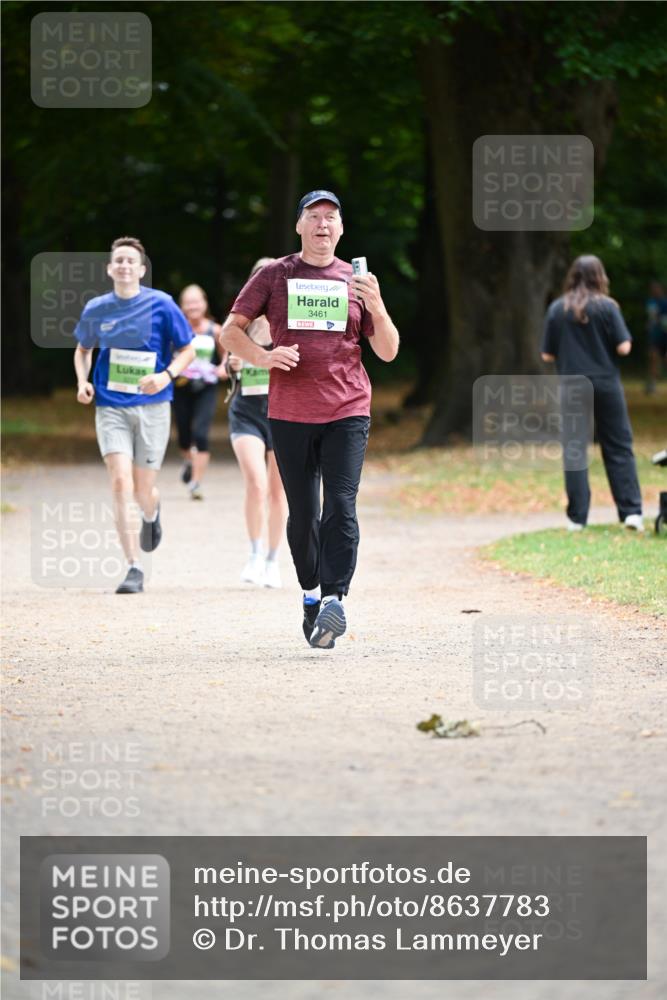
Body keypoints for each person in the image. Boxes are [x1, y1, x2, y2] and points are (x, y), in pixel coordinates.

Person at [220, 190, 399, 648]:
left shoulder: (357, 281)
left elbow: (388, 350)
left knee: (341, 503)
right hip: (291, 411)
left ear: (341, 230)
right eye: (314, 217)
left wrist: (376, 304)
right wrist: (263, 356)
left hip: (348, 408)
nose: (323, 225)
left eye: (331, 218)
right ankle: (311, 595)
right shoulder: (276, 275)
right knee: (303, 515)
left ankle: (336, 598)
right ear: (299, 226)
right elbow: (230, 332)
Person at [74, 236, 195, 593]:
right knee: (120, 482)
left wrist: (165, 375)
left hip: (154, 408)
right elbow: (82, 350)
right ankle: (133, 568)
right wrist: (83, 381)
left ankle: (151, 512)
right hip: (111, 406)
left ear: (141, 270)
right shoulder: (97, 308)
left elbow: (187, 350)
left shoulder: (162, 305)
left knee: (144, 490)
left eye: (131, 261)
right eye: (119, 261)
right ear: (111, 269)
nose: (124, 266)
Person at [541, 254, 643, 531]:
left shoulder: (557, 309)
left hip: (572, 386)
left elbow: (547, 354)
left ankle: (577, 518)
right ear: (600, 277)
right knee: (619, 446)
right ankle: (631, 512)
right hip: (606, 384)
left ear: (572, 276)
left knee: (575, 451)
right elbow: (624, 348)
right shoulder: (608, 307)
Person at [225, 258, 288, 589]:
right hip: (246, 412)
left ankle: (272, 560)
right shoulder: (240, 323)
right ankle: (253, 553)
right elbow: (226, 366)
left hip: (282, 414)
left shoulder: (288, 322)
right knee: (256, 483)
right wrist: (233, 363)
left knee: (278, 492)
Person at [174, 284, 228, 500]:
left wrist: (224, 367)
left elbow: (227, 354)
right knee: (184, 437)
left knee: (201, 434)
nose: (193, 306)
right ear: (182, 306)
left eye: (196, 301)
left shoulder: (214, 329)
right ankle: (189, 459)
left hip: (206, 387)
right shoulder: (178, 328)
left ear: (204, 304)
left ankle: (195, 483)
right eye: (188, 302)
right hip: (181, 386)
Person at [645, 280, 667, 394]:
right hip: (655, 335)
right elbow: (652, 318)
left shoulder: (665, 302)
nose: (654, 290)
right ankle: (652, 385)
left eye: (656, 288)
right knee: (653, 358)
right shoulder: (650, 302)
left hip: (665, 335)